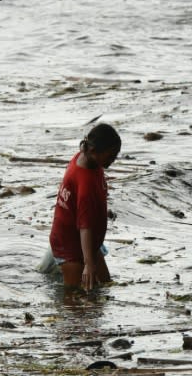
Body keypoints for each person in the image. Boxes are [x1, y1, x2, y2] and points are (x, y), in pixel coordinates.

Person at [48, 124, 122, 290]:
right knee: (76, 300)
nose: (113, 160)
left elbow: (82, 207)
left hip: (88, 241)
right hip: (71, 245)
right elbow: (85, 227)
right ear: (94, 151)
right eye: (110, 155)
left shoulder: (86, 159)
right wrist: (88, 265)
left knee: (104, 285)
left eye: (116, 155)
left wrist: (102, 212)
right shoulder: (85, 182)